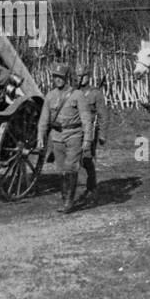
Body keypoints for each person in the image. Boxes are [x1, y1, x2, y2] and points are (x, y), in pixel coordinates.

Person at [36, 63, 96, 214]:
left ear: (66, 78)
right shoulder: (50, 96)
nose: (58, 80)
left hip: (74, 135)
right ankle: (65, 198)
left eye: (61, 77)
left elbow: (86, 119)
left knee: (71, 167)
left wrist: (87, 139)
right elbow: (44, 119)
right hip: (57, 137)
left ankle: (68, 202)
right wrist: (40, 137)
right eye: (55, 77)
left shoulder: (77, 95)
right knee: (62, 170)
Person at [76, 62, 109, 202]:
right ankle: (77, 188)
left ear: (88, 77)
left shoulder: (95, 94)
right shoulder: (73, 93)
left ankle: (92, 188)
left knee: (87, 159)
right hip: (75, 130)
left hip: (90, 131)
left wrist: (102, 134)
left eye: (82, 76)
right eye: (78, 76)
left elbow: (103, 116)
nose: (80, 79)